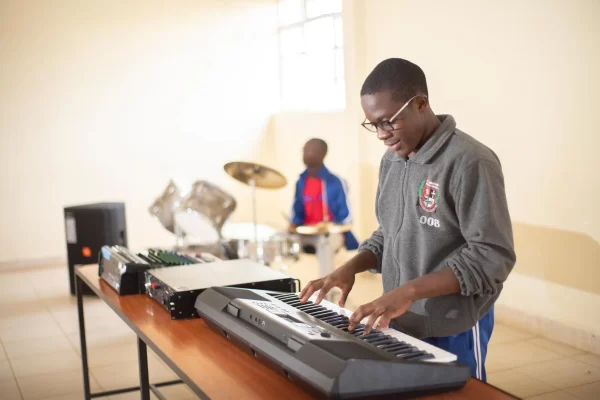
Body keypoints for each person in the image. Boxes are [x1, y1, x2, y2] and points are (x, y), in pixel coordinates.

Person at [299, 58, 516, 382]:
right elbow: (390, 232)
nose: (381, 135)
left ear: (421, 104)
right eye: (374, 124)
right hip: (399, 318)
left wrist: (409, 291)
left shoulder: (471, 161)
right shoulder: (392, 161)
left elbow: (491, 258)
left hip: (452, 324)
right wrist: (352, 266)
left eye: (388, 122)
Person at [289, 139, 359, 265]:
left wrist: (331, 226)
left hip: (329, 234)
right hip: (306, 233)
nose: (307, 154)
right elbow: (297, 212)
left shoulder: (336, 182)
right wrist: (293, 224)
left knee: (324, 243)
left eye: (312, 151)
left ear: (322, 154)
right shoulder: (300, 181)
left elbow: (346, 216)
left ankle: (326, 284)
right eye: (305, 150)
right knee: (277, 239)